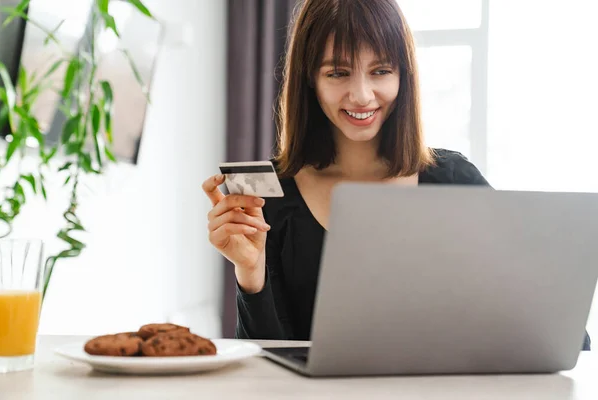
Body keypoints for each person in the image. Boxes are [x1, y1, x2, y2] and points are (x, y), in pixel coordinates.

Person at [202, 0, 591, 350]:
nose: (362, 95)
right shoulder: (271, 196)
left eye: (381, 71)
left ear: (403, 76)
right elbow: (265, 364)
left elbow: (541, 320)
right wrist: (250, 274)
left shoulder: (453, 181)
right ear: (310, 80)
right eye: (338, 73)